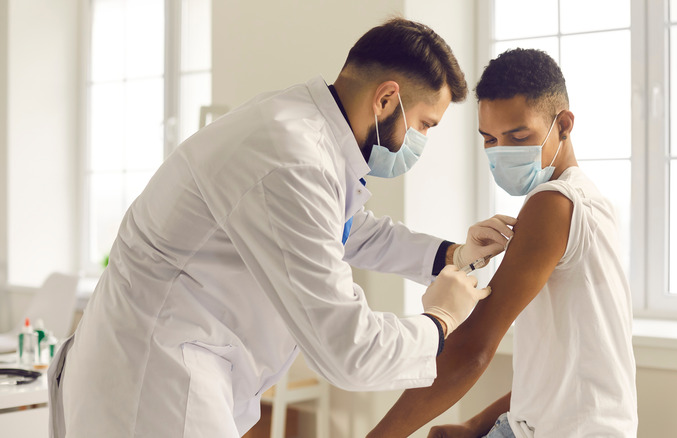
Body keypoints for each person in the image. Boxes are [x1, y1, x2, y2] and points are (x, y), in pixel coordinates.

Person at [48, 18, 516, 437]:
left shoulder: (299, 127)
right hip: (154, 386)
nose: (421, 142)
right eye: (423, 125)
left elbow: (348, 229)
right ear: (387, 98)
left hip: (165, 365)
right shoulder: (292, 159)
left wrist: (453, 255)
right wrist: (440, 320)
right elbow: (349, 352)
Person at [368, 48, 638, 437]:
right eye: (490, 139)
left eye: (518, 136)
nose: (502, 151)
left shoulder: (554, 204)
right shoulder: (589, 200)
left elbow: (473, 347)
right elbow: (559, 370)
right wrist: (476, 424)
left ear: (563, 124)